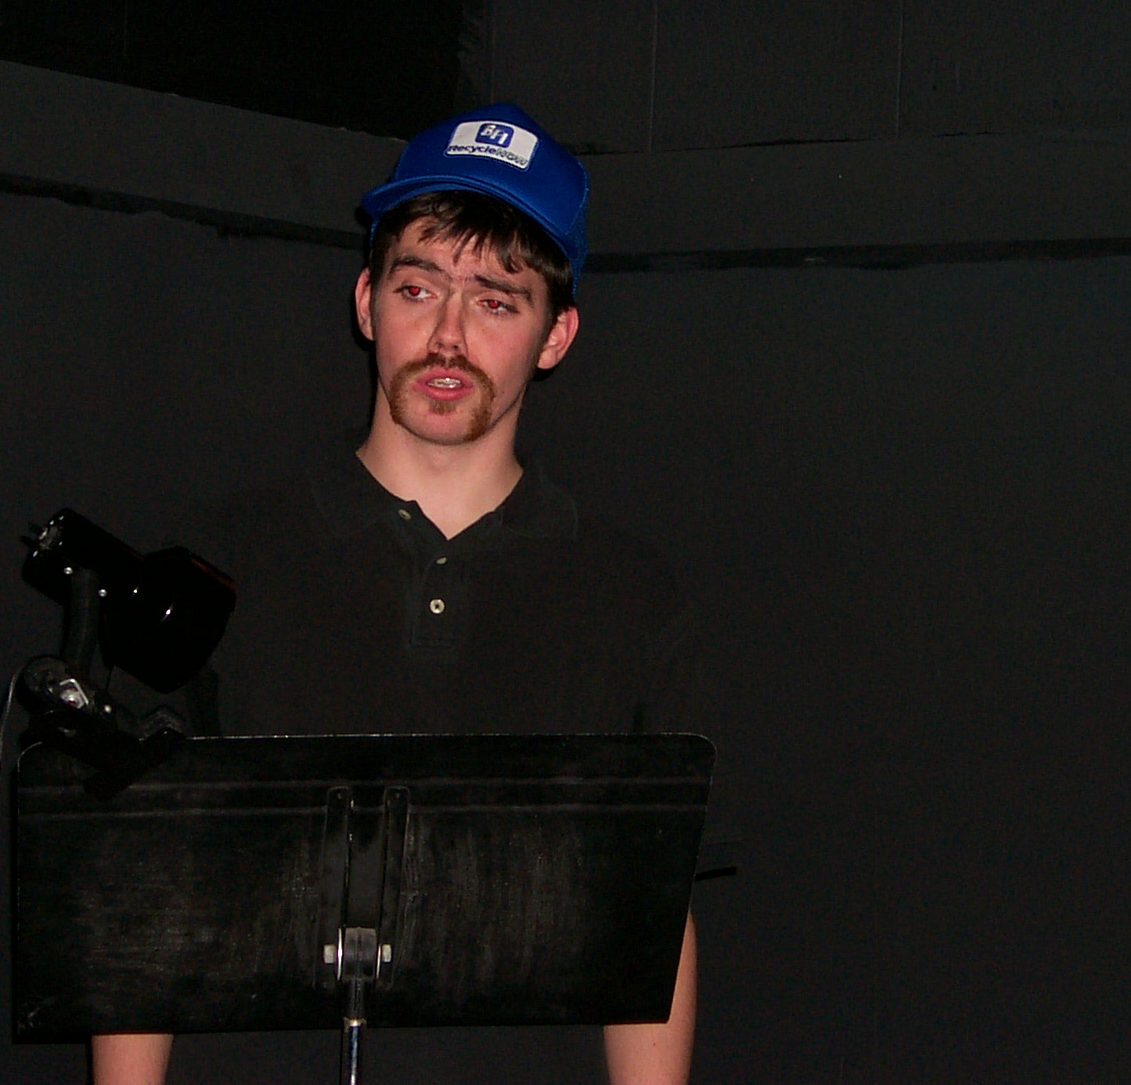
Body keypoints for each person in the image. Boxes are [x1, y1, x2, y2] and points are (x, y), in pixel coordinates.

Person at [91, 103, 716, 1085]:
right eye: (419, 287)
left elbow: (652, 908)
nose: (449, 335)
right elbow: (146, 869)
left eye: (498, 303)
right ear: (366, 302)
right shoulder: (219, 559)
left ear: (555, 338)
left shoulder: (630, 594)